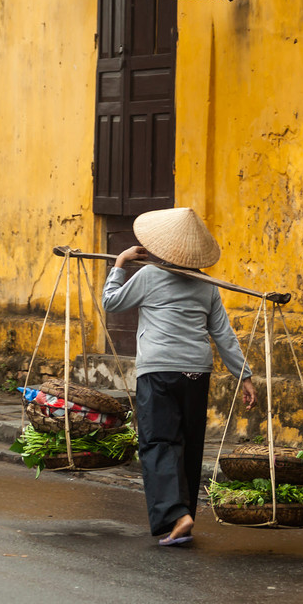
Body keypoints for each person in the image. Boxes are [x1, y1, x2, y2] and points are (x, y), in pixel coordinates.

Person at [102, 207, 258, 547]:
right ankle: (183, 513)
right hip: (195, 374)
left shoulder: (148, 276)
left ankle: (177, 515)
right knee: (187, 444)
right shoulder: (207, 286)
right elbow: (223, 334)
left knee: (158, 443)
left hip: (158, 371)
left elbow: (111, 302)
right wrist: (244, 376)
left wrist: (119, 264)